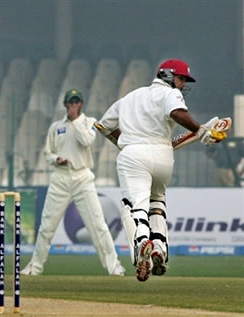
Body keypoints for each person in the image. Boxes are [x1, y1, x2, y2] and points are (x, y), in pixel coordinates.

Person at [97, 59, 227, 282]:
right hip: (163, 155)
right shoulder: (170, 94)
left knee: (133, 206)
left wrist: (124, 141)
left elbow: (103, 125)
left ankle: (142, 246)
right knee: (157, 203)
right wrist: (201, 131)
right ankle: (159, 250)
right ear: (167, 76)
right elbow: (177, 113)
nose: (183, 84)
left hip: (134, 155)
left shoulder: (129, 98)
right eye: (181, 78)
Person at [21, 89, 125, 277]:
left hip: (82, 177)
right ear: (65, 104)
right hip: (60, 178)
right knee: (47, 226)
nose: (73, 105)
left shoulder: (89, 122)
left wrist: (75, 119)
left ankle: (114, 266)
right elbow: (47, 153)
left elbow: (86, 141)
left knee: (98, 225)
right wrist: (56, 160)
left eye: (76, 102)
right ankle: (35, 267)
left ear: (81, 104)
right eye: (71, 102)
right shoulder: (56, 127)